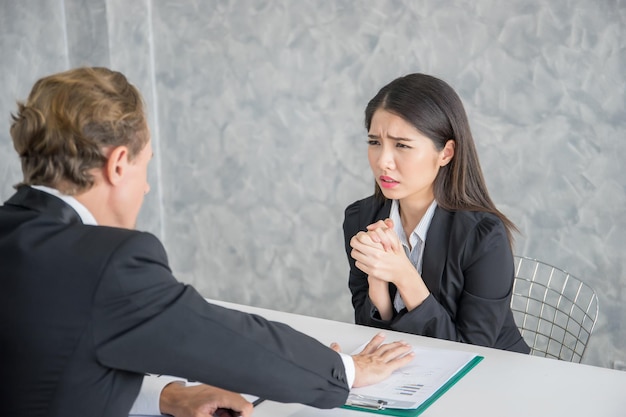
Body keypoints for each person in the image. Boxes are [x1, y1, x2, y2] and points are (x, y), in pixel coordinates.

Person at [0, 67, 415, 417]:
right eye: (145, 168)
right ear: (118, 164)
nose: (145, 189)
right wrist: (348, 370)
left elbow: (46, 365)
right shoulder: (107, 263)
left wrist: (165, 396)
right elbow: (230, 343)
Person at [343, 73, 530, 354]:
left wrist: (404, 276)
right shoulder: (360, 218)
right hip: (411, 372)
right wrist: (378, 285)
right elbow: (371, 335)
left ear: (446, 153)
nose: (383, 161)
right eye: (374, 142)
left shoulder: (484, 235)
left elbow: (472, 352)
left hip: (492, 375)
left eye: (402, 145)